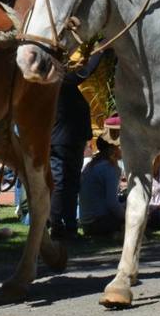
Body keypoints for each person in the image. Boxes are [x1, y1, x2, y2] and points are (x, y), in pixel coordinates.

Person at [48, 52, 102, 242]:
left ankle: (69, 226)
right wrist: (100, 50)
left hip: (71, 140)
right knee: (61, 184)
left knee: (70, 184)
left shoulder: (62, 81)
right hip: (62, 141)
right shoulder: (58, 79)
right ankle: (57, 225)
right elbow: (85, 72)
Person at [78, 135, 125, 236]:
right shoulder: (109, 168)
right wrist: (128, 217)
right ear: (113, 149)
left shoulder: (93, 164)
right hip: (98, 223)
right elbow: (112, 203)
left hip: (87, 223)